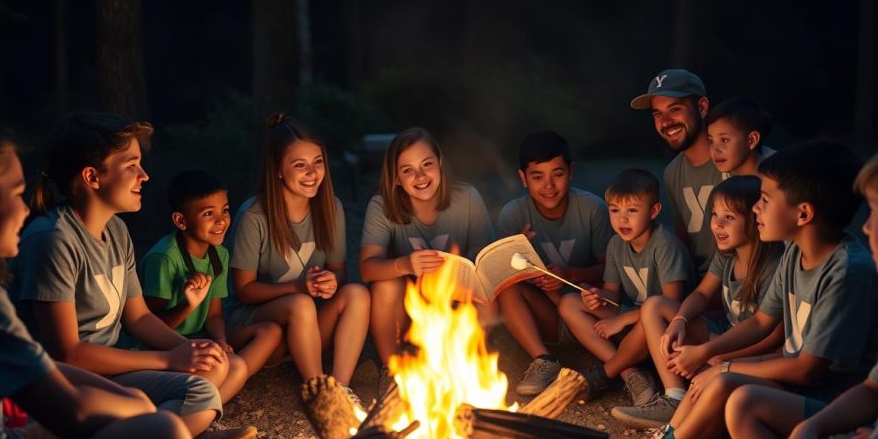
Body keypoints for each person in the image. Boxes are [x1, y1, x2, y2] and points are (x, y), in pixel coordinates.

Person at [0, 117, 273, 439]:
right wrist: (147, 391)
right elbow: (67, 394)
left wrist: (178, 355)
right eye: (17, 195)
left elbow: (130, 320)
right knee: (163, 435)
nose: (25, 207)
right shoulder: (2, 266)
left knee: (173, 402)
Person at [609, 129, 878, 439]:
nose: (867, 227)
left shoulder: (851, 274)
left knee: (735, 394)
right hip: (829, 419)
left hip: (835, 422)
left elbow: (813, 376)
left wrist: (725, 366)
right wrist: (711, 355)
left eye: (875, 213)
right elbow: (767, 324)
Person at [14, 112, 257, 439]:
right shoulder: (53, 240)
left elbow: (139, 317)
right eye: (132, 165)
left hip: (115, 369)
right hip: (70, 380)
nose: (144, 175)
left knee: (221, 366)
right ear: (92, 177)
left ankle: (169, 438)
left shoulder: (116, 230)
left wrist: (190, 350)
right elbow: (67, 353)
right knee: (201, 391)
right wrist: (169, 360)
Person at [612, 175, 784, 429]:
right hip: (722, 337)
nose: (717, 224)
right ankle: (674, 397)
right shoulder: (727, 254)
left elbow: (772, 339)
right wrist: (679, 321)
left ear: (755, 218)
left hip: (752, 352)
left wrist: (719, 356)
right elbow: (702, 294)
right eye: (715, 215)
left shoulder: (773, 267)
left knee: (709, 383)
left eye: (729, 217)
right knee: (654, 305)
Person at [226, 114, 369, 406]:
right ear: (278, 169)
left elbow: (339, 272)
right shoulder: (253, 216)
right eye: (300, 165)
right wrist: (300, 287)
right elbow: (244, 291)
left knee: (357, 293)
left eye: (318, 162)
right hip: (260, 328)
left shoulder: (331, 208)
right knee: (300, 303)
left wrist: (329, 282)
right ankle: (319, 394)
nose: (312, 173)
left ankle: (340, 389)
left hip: (308, 329)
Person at [359, 127, 495, 377]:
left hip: (455, 300)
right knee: (384, 285)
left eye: (427, 164)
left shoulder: (467, 197)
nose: (420, 176)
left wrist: (456, 273)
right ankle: (392, 369)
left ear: (439, 163)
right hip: (407, 309)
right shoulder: (382, 205)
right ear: (396, 178)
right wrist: (405, 265)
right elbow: (367, 269)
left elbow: (484, 257)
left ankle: (461, 363)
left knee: (487, 295)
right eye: (407, 170)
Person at [557, 169, 695, 407]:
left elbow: (671, 304)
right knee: (569, 303)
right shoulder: (615, 244)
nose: (622, 219)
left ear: (654, 211)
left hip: (666, 328)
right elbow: (612, 293)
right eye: (615, 210)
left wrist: (620, 321)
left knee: (646, 320)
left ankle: (604, 374)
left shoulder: (665, 245)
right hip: (633, 319)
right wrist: (598, 296)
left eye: (632, 210)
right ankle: (632, 374)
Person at [142, 170, 282, 391]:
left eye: (225, 210)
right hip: (164, 349)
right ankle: (209, 397)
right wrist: (188, 305)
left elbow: (214, 315)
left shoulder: (219, 255)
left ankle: (214, 395)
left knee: (268, 333)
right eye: (208, 213)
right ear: (181, 221)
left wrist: (220, 339)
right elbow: (148, 329)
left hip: (198, 337)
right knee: (236, 366)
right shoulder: (164, 258)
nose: (221, 220)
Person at [497, 130, 609, 396]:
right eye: (537, 177)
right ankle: (544, 359)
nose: (548, 185)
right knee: (506, 288)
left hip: (589, 311)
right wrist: (515, 255)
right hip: (548, 316)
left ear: (570, 172)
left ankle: (600, 357)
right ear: (523, 178)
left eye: (557, 174)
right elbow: (497, 279)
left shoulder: (593, 209)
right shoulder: (513, 215)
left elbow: (611, 270)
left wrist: (570, 274)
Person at [631, 68, 720, 276]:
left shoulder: (740, 159)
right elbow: (683, 242)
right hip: (698, 284)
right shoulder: (673, 172)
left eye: (675, 109)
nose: (665, 122)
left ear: (702, 107)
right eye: (657, 114)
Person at [704, 97, 776, 178]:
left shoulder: (780, 175)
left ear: (752, 140)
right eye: (711, 141)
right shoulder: (717, 175)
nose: (715, 150)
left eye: (725, 140)